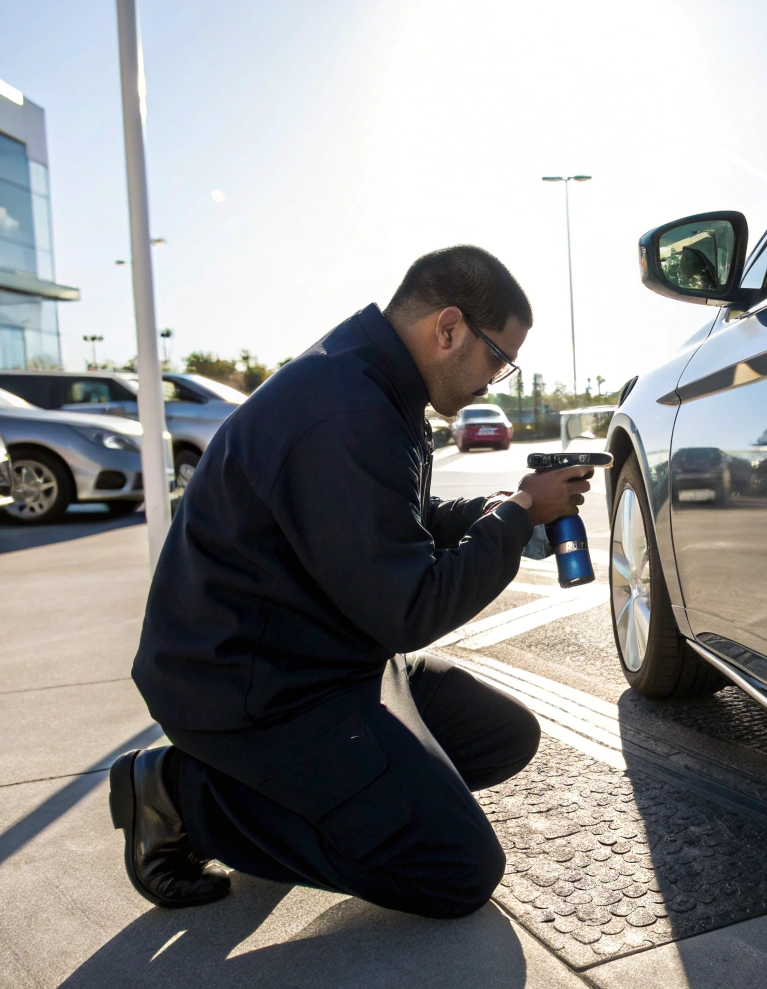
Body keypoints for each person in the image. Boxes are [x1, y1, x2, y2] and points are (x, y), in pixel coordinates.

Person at [114, 245, 592, 917]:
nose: (497, 380)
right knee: (455, 869)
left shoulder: (371, 381)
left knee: (500, 736)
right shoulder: (347, 409)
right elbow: (410, 611)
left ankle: (312, 799)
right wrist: (515, 519)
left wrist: (497, 513)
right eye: (498, 358)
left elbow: (391, 517)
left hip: (322, 659)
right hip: (250, 689)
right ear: (448, 328)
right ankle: (181, 795)